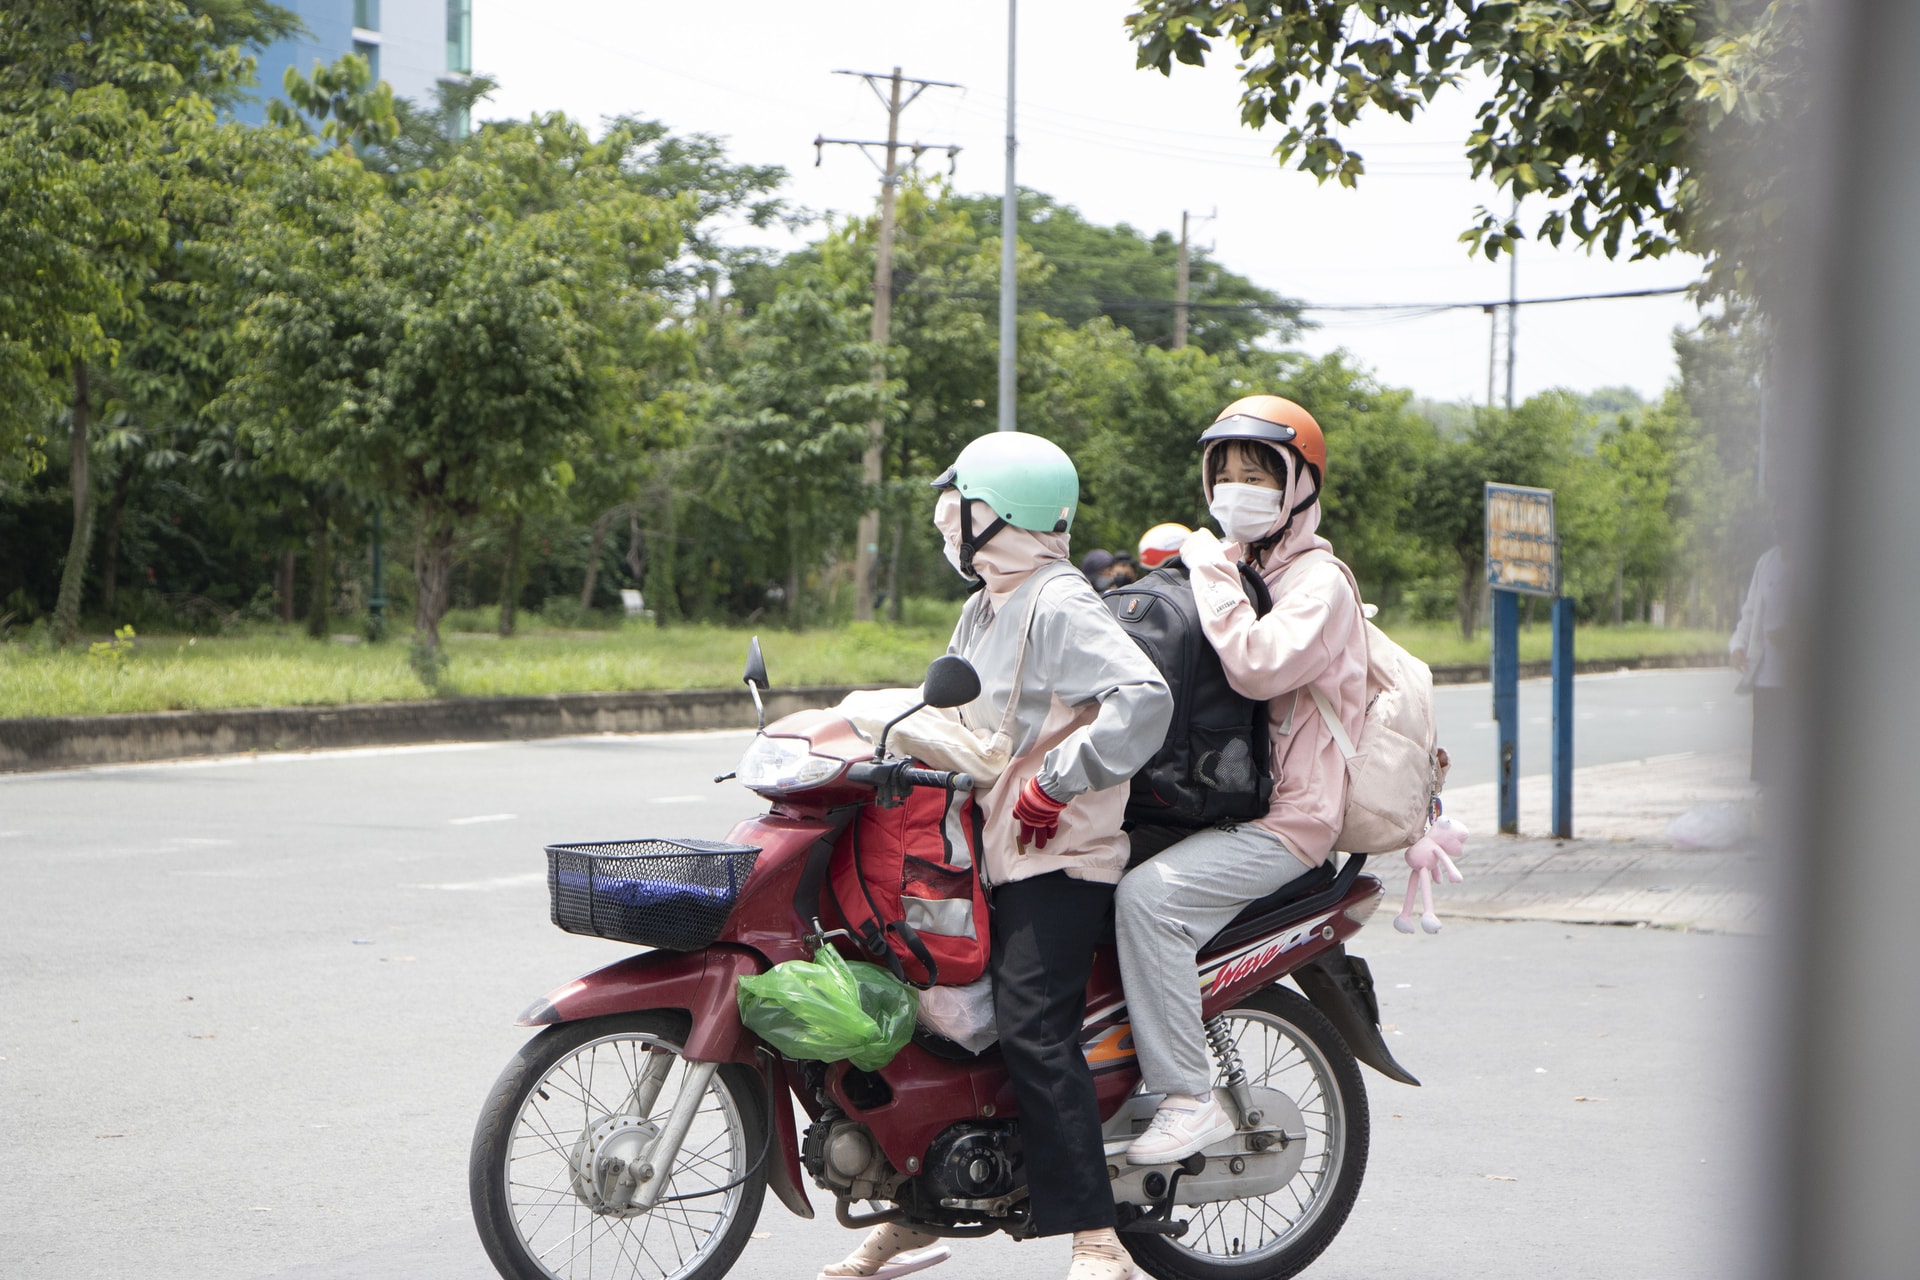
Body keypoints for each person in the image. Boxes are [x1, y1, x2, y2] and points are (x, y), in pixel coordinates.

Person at [821, 431, 1173, 1280]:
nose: (949, 524)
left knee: (1030, 1026)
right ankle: (919, 1208)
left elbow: (1142, 699)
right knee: (927, 1007)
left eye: (961, 509)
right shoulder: (987, 599)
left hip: (1059, 851)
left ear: (999, 516)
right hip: (988, 841)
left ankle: (1098, 1238)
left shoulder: (1060, 602)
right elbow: (961, 711)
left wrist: (1061, 780)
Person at [1113, 395, 1367, 1165]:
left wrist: (1205, 567)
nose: (1237, 490)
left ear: (1299, 486)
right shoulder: (1243, 567)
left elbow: (1258, 666)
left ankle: (1189, 1096)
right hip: (1224, 801)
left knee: (1148, 902)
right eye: (1223, 473)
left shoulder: (1319, 583)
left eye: (1259, 474)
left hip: (1291, 820)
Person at [1730, 541, 1790, 788]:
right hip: (1765, 676)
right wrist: (1738, 645)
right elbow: (1750, 613)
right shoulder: (1767, 563)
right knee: (1766, 758)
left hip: (1798, 678)